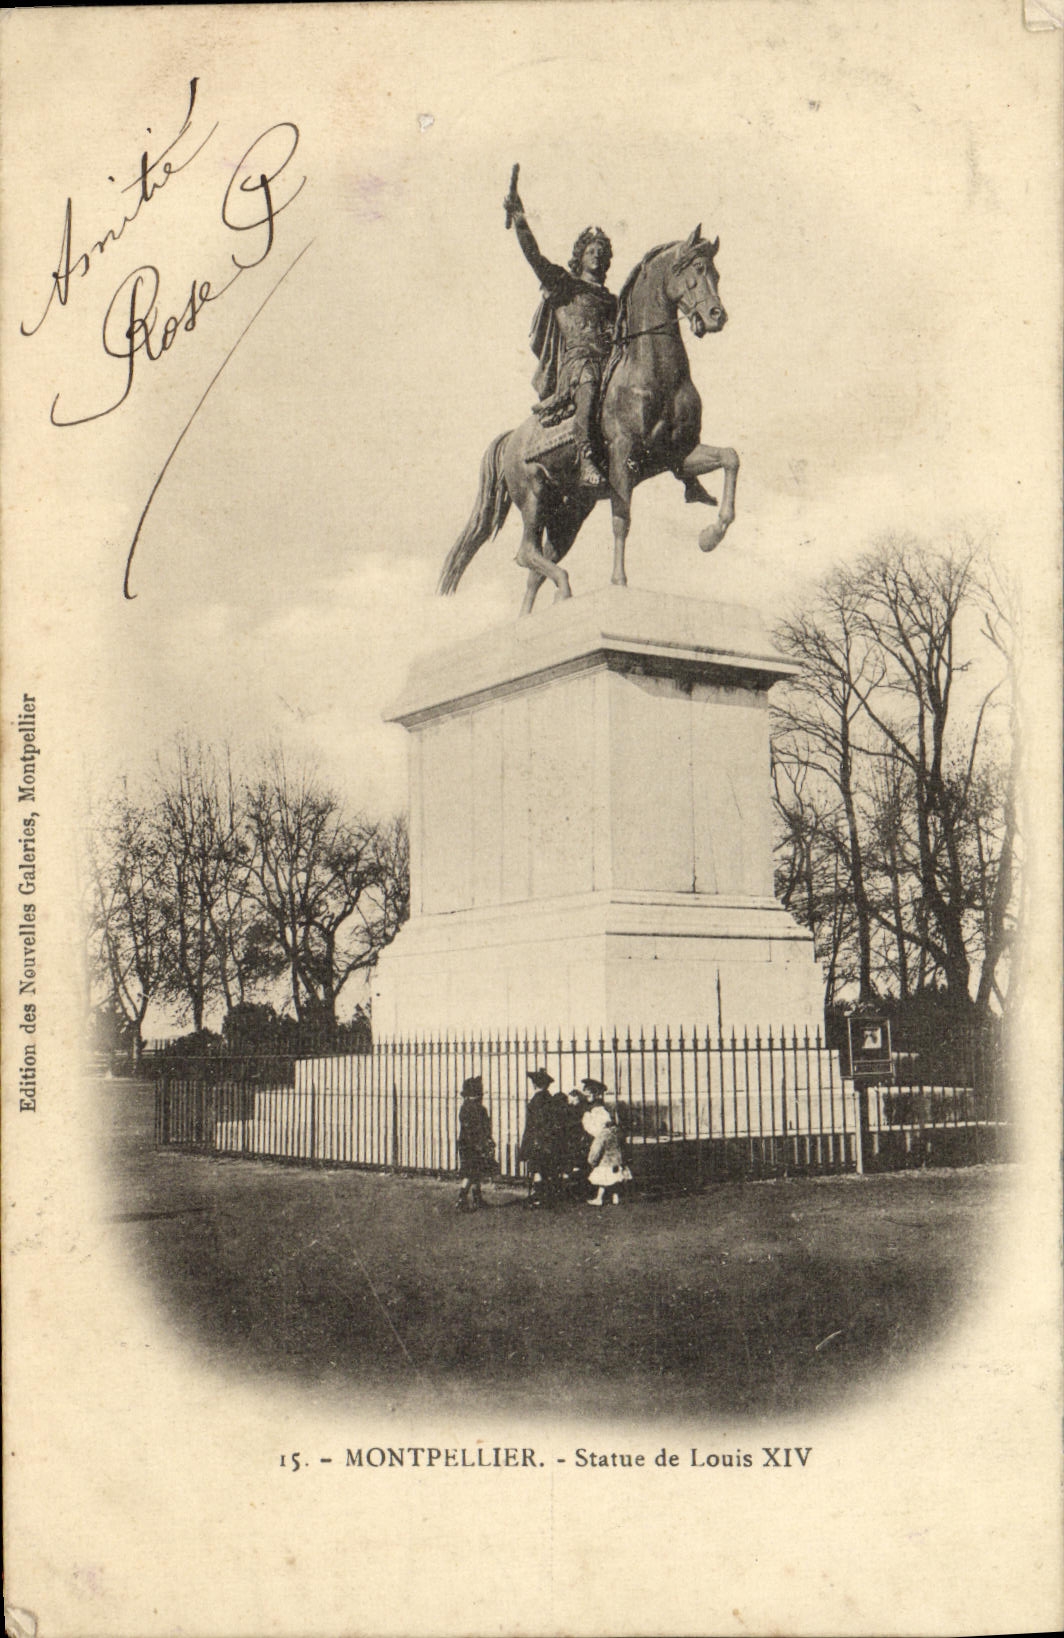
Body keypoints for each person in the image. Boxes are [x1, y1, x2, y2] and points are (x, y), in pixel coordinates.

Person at [505, 177, 618, 492]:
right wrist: (519, 219)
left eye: (601, 252)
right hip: (577, 363)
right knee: (589, 381)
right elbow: (534, 257)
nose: (596, 255)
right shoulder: (565, 285)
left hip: (607, 360)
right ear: (580, 256)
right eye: (591, 251)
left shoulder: (611, 300)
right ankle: (585, 458)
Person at [581, 1078, 633, 1206]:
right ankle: (615, 1197)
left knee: (604, 1177)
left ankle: (600, 1198)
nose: (587, 1095)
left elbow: (596, 1132)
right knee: (613, 1177)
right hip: (612, 1153)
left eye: (590, 1092)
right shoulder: (600, 1111)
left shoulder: (599, 1110)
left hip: (600, 1144)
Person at [456, 1076, 495, 1212]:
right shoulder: (480, 1109)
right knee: (471, 1173)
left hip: (465, 1143)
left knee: (474, 1171)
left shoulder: (464, 1108)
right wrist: (486, 1141)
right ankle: (462, 1198)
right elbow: (485, 1128)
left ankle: (477, 1198)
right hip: (475, 1144)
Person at [518, 1067, 557, 1206]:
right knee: (544, 1168)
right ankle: (541, 1195)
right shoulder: (550, 1098)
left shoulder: (536, 1100)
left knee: (537, 1168)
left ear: (534, 1084)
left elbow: (534, 1123)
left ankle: (539, 1197)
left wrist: (528, 1142)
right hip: (548, 1139)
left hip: (537, 1139)